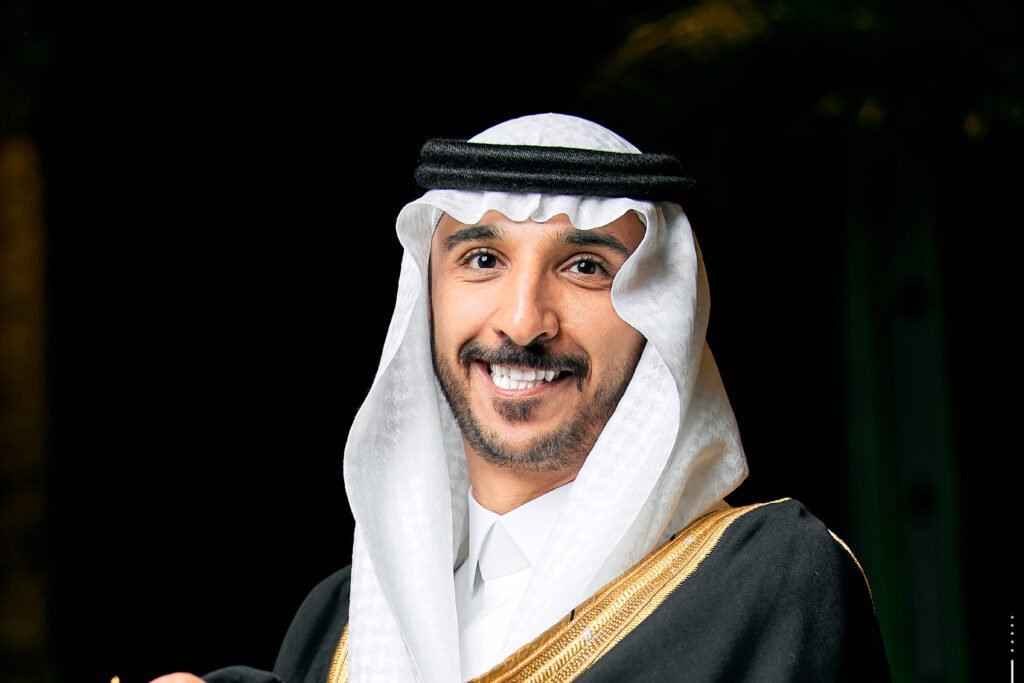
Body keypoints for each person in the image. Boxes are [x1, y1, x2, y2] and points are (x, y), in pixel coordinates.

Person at [152, 114, 891, 682]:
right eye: (483, 259)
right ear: (428, 294)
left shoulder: (765, 580)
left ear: (658, 310)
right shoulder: (339, 619)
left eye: (585, 266)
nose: (522, 320)